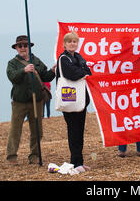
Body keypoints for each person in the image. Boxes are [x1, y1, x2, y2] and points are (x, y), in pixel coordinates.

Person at [6, 35, 56, 165]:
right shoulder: (12, 63)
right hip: (19, 102)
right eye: (20, 46)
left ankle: (34, 156)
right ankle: (11, 156)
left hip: (37, 101)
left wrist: (53, 70)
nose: (23, 48)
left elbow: (45, 76)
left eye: (25, 45)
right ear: (16, 48)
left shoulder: (36, 60)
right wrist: (24, 70)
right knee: (15, 130)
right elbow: (12, 77)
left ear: (29, 47)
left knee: (37, 130)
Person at [56, 31, 91, 172]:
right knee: (73, 131)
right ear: (64, 44)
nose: (72, 44)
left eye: (75, 41)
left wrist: (82, 72)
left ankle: (80, 162)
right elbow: (72, 74)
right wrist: (82, 72)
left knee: (80, 131)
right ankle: (74, 162)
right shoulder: (63, 58)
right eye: (69, 41)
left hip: (80, 100)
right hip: (69, 98)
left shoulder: (78, 56)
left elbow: (88, 71)